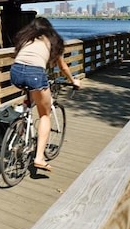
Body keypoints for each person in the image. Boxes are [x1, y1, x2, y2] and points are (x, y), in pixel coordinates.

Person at [9, 17, 81, 172]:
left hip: (15, 72)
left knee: (29, 98)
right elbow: (62, 67)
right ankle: (40, 158)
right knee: (44, 115)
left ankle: (19, 130)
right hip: (35, 74)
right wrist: (73, 80)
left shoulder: (26, 39)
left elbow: (23, 58)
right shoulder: (52, 40)